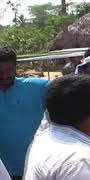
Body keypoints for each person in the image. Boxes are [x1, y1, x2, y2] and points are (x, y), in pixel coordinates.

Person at [0, 47, 49, 180]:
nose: (5, 76)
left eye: (9, 70)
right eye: (0, 72)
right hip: (2, 171)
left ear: (15, 66)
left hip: (36, 168)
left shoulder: (38, 87)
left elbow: (72, 96)